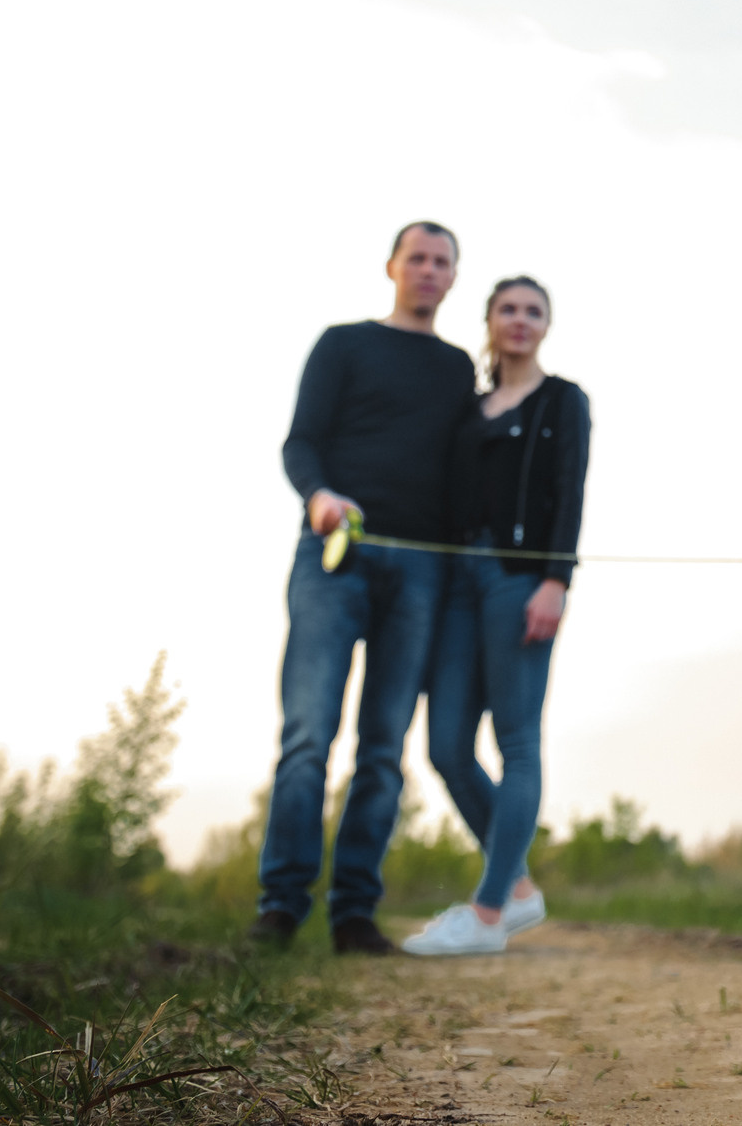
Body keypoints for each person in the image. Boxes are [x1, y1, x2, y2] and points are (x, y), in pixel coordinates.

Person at [251, 223, 481, 954]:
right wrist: (319, 494)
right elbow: (300, 441)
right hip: (334, 557)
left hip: (421, 572)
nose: (428, 269)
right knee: (308, 735)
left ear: (452, 278)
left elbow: (461, 473)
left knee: (383, 746)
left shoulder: (455, 369)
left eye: (442, 261)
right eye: (417, 256)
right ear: (392, 266)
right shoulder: (343, 343)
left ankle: (354, 912)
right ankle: (280, 907)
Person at [402, 275, 591, 956]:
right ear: (488, 320)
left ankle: (485, 915)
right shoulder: (469, 407)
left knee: (516, 741)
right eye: (508, 308)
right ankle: (517, 888)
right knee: (446, 744)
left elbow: (569, 490)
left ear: (546, 325)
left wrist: (556, 580)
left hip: (521, 581)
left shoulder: (562, 401)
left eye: (533, 310)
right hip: (459, 581)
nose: (520, 319)